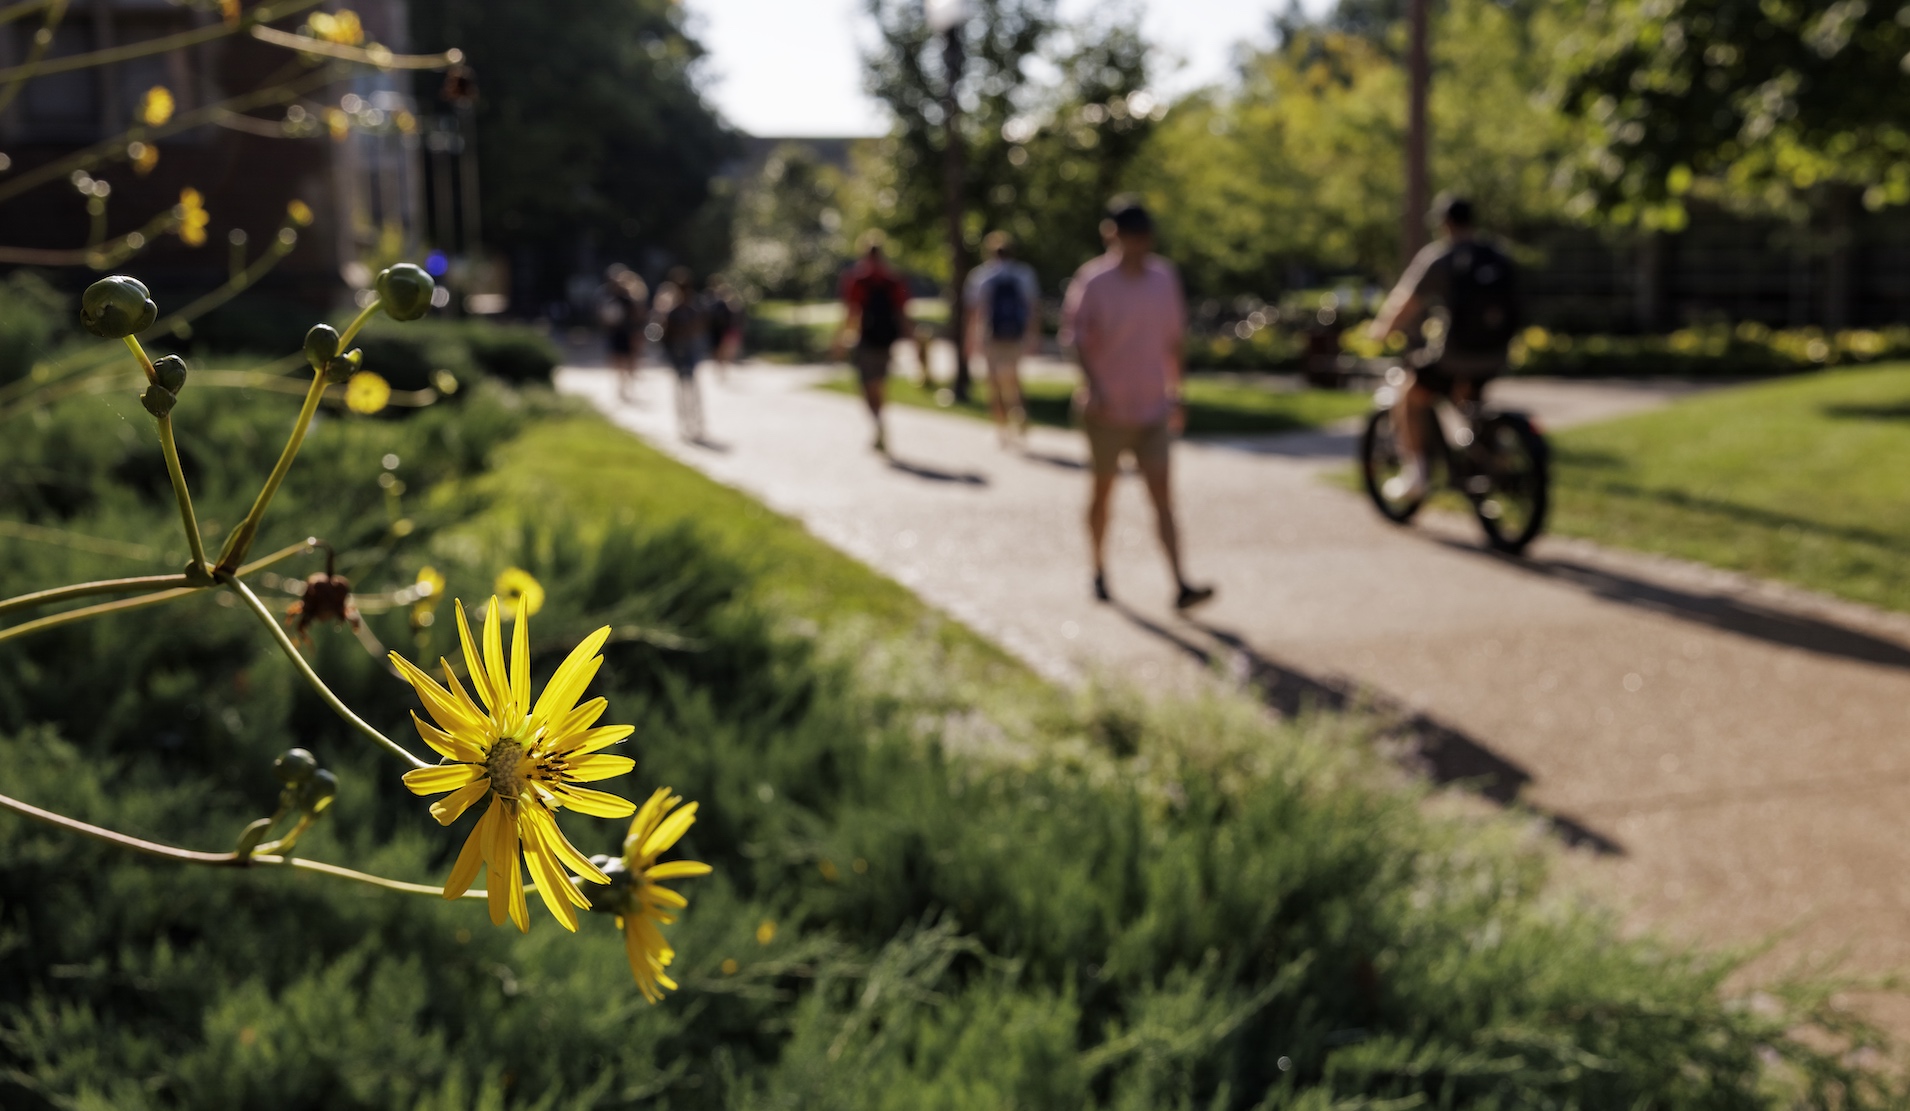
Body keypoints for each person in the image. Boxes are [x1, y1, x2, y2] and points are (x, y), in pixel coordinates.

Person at [1059, 199, 1214, 611]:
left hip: (1152, 409)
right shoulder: (1093, 281)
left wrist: (1176, 392)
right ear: (1113, 235)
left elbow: (1173, 342)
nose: (1139, 244)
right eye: (1131, 237)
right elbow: (1074, 340)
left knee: (1163, 496)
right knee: (1103, 492)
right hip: (1106, 411)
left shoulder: (1163, 278)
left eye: (1144, 237)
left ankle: (1180, 582)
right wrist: (1094, 386)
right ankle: (1097, 569)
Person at [1367, 194, 1521, 501]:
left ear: (1445, 223)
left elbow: (1404, 304)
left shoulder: (1442, 257)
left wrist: (1380, 331)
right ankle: (1488, 453)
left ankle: (1416, 474)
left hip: (1455, 356)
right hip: (1496, 355)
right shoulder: (1496, 255)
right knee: (1467, 402)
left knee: (1409, 394)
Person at [834, 232, 921, 454]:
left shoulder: (857, 278)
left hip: (866, 339)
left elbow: (851, 313)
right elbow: (903, 313)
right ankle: (880, 422)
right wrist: (912, 342)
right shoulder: (893, 278)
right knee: (879, 383)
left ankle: (878, 422)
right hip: (887, 340)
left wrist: (840, 341)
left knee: (866, 385)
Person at [963, 231, 1040, 447]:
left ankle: (1002, 428)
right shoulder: (1024, 274)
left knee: (993, 383)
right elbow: (1033, 308)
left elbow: (974, 311)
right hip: (1016, 335)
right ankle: (1019, 411)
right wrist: (1033, 335)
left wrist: (970, 339)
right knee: (1014, 378)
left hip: (990, 335)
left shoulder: (981, 276)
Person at [655, 267, 707, 441]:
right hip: (679, 352)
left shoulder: (692, 308)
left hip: (688, 351)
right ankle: (686, 424)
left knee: (690, 387)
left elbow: (698, 328)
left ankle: (695, 424)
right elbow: (665, 333)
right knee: (683, 387)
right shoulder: (672, 310)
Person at [599, 264, 648, 401]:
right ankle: (622, 385)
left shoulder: (630, 298)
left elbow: (638, 316)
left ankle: (627, 384)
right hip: (615, 333)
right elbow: (603, 316)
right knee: (618, 361)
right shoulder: (608, 297)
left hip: (628, 332)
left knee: (629, 360)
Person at [705, 278, 745, 382]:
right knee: (718, 351)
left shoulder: (727, 305)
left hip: (723, 331)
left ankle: (721, 368)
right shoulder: (714, 304)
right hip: (716, 331)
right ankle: (720, 368)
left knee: (722, 351)